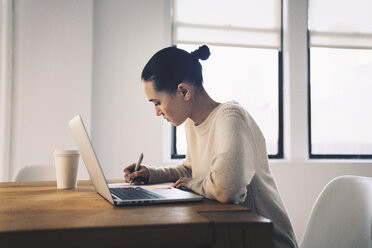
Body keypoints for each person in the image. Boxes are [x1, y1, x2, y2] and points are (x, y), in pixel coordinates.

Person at [123, 45, 298, 248]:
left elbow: (226, 189)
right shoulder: (191, 121)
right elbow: (192, 170)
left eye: (157, 102)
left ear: (184, 91)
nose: (157, 112)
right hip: (232, 235)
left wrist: (190, 184)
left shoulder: (231, 117)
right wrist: (151, 174)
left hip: (263, 240)